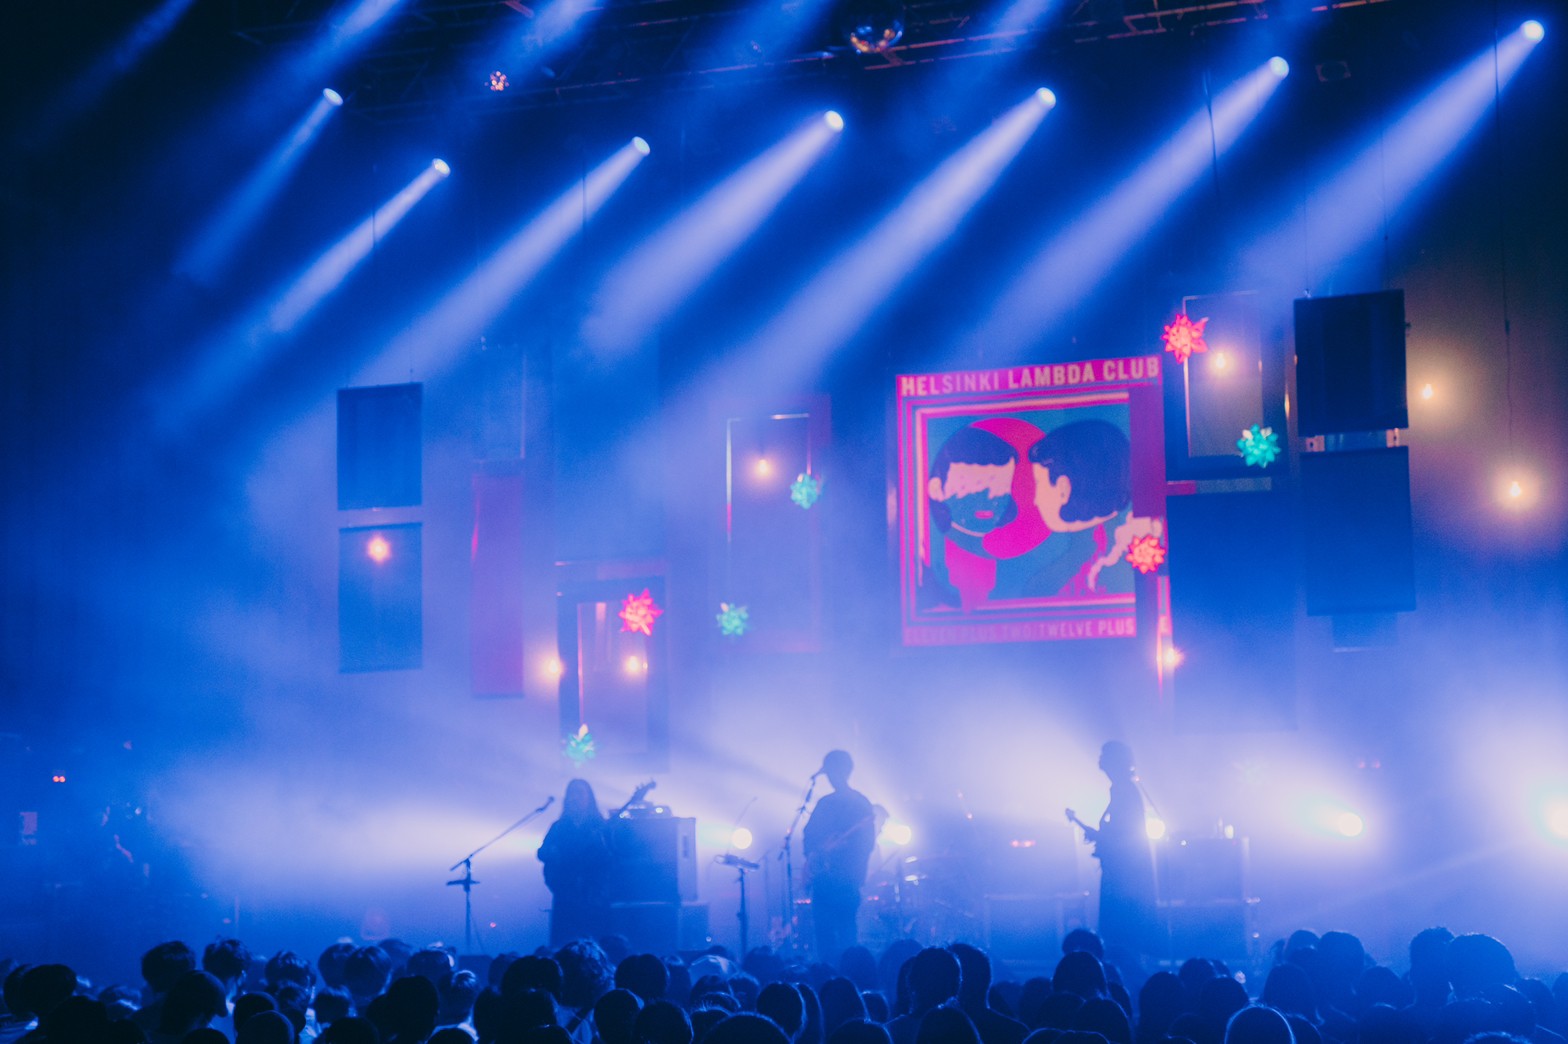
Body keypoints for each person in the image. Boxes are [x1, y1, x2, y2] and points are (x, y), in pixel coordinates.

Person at [1066, 741, 1158, 956]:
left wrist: (1101, 837)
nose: (1100, 759)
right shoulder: (1122, 790)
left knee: (1121, 928)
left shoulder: (1124, 791)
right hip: (1123, 872)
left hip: (1125, 875)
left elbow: (1124, 835)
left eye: (1104, 755)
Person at [802, 751, 877, 965]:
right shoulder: (825, 803)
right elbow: (808, 835)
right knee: (824, 935)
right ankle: (827, 973)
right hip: (823, 879)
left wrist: (842, 852)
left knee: (846, 935)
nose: (830, 777)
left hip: (846, 880)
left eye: (832, 771)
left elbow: (866, 843)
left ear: (843, 771)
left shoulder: (859, 803)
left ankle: (848, 975)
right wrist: (817, 852)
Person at [539, 780, 614, 945]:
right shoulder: (559, 827)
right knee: (565, 942)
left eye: (580, 793)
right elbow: (542, 853)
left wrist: (600, 846)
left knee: (594, 940)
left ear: (589, 798)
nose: (575, 797)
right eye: (572, 793)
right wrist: (553, 853)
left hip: (593, 896)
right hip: (566, 894)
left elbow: (612, 859)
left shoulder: (600, 826)